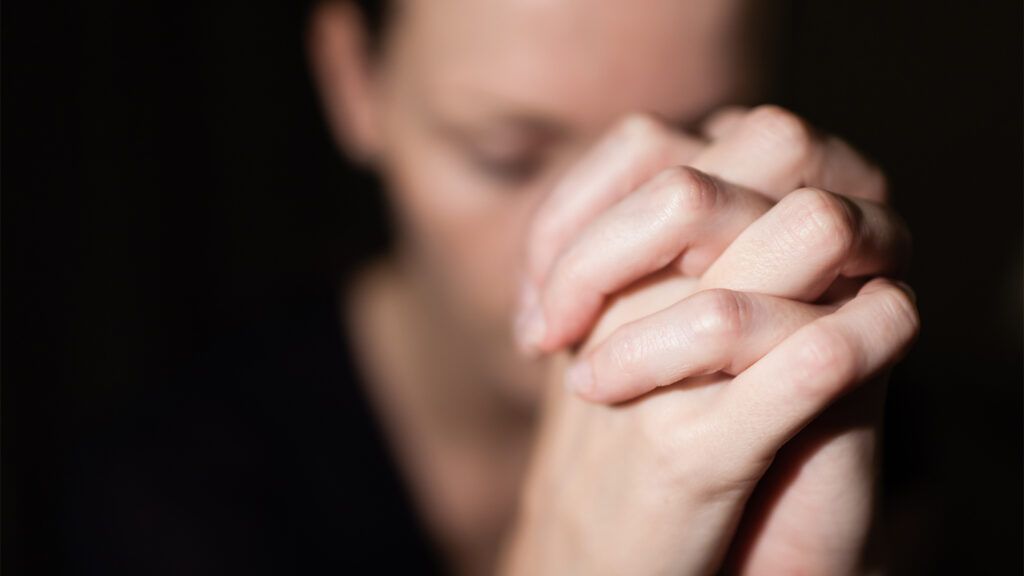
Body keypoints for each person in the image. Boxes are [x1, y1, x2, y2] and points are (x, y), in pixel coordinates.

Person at [69, 1, 917, 574]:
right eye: (505, 158)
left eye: (695, 147)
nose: (608, 237)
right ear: (352, 80)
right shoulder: (172, 490)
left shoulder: (866, 422)